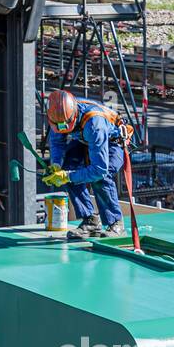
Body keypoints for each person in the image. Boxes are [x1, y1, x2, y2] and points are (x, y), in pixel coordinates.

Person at [43, 90, 135, 239]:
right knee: (69, 168)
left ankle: (115, 223)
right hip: (84, 139)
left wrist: (67, 177)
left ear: (73, 116)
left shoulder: (95, 123)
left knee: (100, 178)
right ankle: (90, 220)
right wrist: (57, 165)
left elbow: (99, 169)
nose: (61, 130)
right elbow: (57, 142)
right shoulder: (59, 114)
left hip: (111, 142)